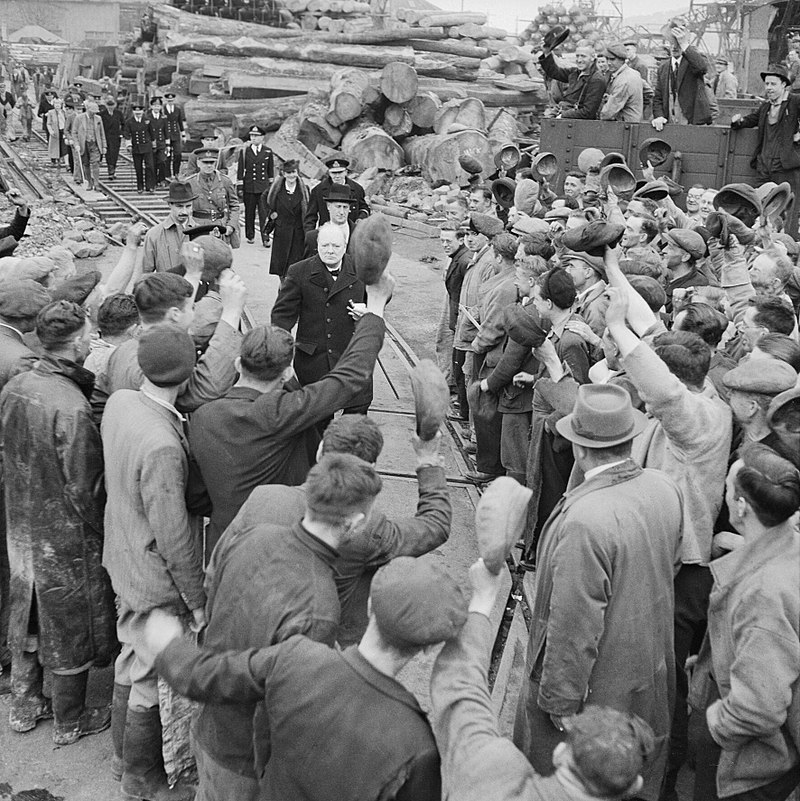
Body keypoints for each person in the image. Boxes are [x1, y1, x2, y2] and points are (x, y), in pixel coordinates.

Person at [144, 553, 465, 801]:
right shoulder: (417, 748)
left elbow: (210, 677)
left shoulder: (295, 658)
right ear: (429, 647)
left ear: (369, 607)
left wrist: (169, 649)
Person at [166, 453, 387, 801]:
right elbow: (283, 714)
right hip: (244, 763)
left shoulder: (255, 535)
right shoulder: (319, 606)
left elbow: (212, 598)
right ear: (356, 522)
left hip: (208, 726)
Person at [513, 382, 683, 801]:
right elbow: (671, 565)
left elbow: (571, 625)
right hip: (647, 675)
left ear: (579, 446)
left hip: (592, 697)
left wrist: (559, 705)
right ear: (629, 438)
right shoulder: (663, 487)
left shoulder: (585, 519)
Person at [602, 272, 733, 801]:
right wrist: (612, 273)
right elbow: (656, 332)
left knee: (668, 682)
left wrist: (615, 327)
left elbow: (658, 382)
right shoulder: (697, 394)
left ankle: (664, 773)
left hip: (683, 573)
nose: (645, 403)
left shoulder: (696, 418)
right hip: (663, 559)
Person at [192, 270, 392, 547]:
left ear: (238, 365)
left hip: (222, 545)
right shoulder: (284, 412)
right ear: (286, 374)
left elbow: (196, 494)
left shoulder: (203, 416)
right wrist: (375, 309)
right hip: (280, 543)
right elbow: (350, 376)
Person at [432, 558, 656, 801]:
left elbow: (460, 689)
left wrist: (482, 601)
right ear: (634, 787)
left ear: (560, 754)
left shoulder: (495, 770)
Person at [223, 414, 450, 645]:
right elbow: (435, 525)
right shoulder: (369, 529)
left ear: (320, 451)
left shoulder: (263, 497)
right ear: (370, 469)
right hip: (318, 647)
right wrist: (428, 461)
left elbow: (216, 571)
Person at [1, 300, 115, 744]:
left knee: (25, 612)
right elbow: (84, 488)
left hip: (20, 521)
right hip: (64, 535)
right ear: (76, 342)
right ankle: (70, 720)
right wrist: (104, 530)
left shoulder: (17, 384)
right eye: (88, 334)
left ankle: (24, 704)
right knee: (71, 624)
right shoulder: (71, 406)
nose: (91, 340)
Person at [101, 325, 206, 800]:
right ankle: (141, 778)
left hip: (120, 554)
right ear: (187, 376)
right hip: (151, 573)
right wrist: (196, 599)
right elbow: (173, 534)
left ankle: (122, 755)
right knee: (149, 673)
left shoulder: (122, 402)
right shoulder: (163, 444)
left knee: (130, 655)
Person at [690, 444, 800, 801]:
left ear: (740, 507)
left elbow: (759, 708)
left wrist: (714, 724)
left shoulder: (765, 592)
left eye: (727, 486)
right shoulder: (790, 546)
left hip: (747, 769)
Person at [96, 269, 244, 416]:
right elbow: (206, 386)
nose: (194, 313)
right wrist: (232, 312)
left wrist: (194, 272)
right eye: (192, 308)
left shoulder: (125, 350)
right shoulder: (157, 360)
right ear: (174, 314)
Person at [0, 279, 52, 694]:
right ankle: (9, 655)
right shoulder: (20, 360)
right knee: (12, 568)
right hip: (9, 473)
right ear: (32, 320)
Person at [271, 222, 370, 418]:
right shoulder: (299, 272)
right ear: (317, 245)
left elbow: (381, 296)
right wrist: (282, 357)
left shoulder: (361, 269)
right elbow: (281, 317)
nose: (330, 251)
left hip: (351, 356)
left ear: (345, 246)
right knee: (315, 420)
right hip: (313, 360)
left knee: (356, 415)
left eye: (335, 246)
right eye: (325, 246)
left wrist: (368, 312)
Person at [466, 232, 519, 484]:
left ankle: (488, 466)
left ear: (498, 256)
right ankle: (486, 457)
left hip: (492, 354)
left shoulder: (505, 287)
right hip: (493, 351)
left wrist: (477, 345)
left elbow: (494, 324)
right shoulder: (507, 280)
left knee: (486, 408)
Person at [731, 64, 800, 237]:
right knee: (759, 203)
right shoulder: (765, 107)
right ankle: (757, 240)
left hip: (785, 165)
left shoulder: (795, 102)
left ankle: (786, 243)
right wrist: (738, 122)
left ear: (783, 85)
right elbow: (751, 119)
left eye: (773, 84)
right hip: (764, 165)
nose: (768, 88)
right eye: (767, 84)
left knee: (788, 207)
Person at [652, 22, 712, 129]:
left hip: (691, 124)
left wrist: (684, 43)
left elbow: (702, 68)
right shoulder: (663, 68)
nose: (674, 47)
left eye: (678, 44)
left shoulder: (692, 63)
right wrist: (659, 116)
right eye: (671, 43)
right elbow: (658, 97)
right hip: (669, 124)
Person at [187, 148, 240, 248]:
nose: (209, 165)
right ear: (198, 163)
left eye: (212, 162)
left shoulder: (225, 181)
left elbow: (234, 206)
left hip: (219, 227)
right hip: (198, 227)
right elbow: (184, 206)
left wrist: (231, 225)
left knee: (220, 259)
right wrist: (190, 224)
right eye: (205, 162)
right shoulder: (190, 183)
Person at [142, 180, 199, 273]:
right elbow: (146, 272)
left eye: (188, 206)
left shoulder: (201, 233)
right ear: (170, 205)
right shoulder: (154, 235)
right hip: (165, 286)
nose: (184, 212)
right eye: (179, 206)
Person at [537, 44, 606, 119]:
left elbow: (588, 112)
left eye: (583, 56)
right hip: (568, 114)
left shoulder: (596, 79)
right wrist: (547, 52)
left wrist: (563, 115)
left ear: (592, 57)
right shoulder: (575, 72)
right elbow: (554, 72)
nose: (579, 60)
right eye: (577, 56)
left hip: (580, 123)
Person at [264, 159, 307, 279]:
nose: (291, 175)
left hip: (298, 234)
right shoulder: (276, 190)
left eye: (294, 172)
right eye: (288, 172)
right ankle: (283, 290)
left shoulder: (304, 190)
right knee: (281, 269)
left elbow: (308, 211)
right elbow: (266, 201)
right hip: (281, 233)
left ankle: (292, 292)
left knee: (296, 269)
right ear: (283, 173)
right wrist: (273, 216)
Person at [303, 155, 369, 232]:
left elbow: (364, 207)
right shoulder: (318, 190)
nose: (337, 176)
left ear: (346, 172)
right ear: (329, 173)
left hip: (350, 233)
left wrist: (360, 218)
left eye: (340, 172)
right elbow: (310, 217)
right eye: (334, 173)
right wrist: (310, 236)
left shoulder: (357, 188)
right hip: (327, 234)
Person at [236, 125, 274, 246]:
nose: (254, 138)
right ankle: (250, 235)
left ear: (262, 138)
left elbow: (270, 172)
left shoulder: (267, 151)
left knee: (264, 214)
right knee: (249, 213)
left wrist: (271, 188)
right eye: (252, 135)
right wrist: (240, 187)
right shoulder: (244, 151)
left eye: (256, 136)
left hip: (263, 187)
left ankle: (265, 237)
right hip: (249, 186)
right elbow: (240, 170)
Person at [303, 183, 357, 257]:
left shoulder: (359, 234)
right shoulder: (313, 238)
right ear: (328, 206)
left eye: (345, 207)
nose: (341, 212)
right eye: (338, 206)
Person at [599, 43, 645, 122]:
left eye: (612, 59)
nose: (609, 63)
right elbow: (648, 93)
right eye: (607, 59)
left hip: (624, 126)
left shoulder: (624, 80)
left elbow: (607, 113)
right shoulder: (634, 73)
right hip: (633, 122)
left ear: (622, 60)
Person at [72, 100, 107, 191]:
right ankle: (89, 183)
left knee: (96, 163)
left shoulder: (98, 119)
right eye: (92, 112)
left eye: (95, 112)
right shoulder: (79, 118)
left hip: (94, 144)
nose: (93, 114)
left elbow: (102, 133)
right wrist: (76, 144)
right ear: (87, 109)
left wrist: (104, 146)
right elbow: (74, 132)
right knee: (86, 164)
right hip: (84, 144)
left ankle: (96, 183)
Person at [124, 102, 155, 194]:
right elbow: (126, 134)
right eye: (135, 111)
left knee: (149, 166)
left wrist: (154, 144)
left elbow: (152, 134)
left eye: (140, 111)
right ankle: (140, 186)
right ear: (133, 111)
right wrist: (128, 145)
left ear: (143, 111)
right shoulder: (129, 121)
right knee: (138, 167)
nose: (138, 113)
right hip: (136, 147)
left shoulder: (147, 120)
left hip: (147, 146)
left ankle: (149, 186)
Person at [162, 92, 187, 180]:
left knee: (178, 154)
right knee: (167, 155)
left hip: (175, 134)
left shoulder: (177, 109)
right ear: (166, 100)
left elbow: (180, 122)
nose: (170, 101)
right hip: (166, 135)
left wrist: (183, 134)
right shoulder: (163, 110)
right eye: (169, 100)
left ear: (174, 100)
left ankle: (176, 172)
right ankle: (167, 174)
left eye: (172, 100)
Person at [100, 97, 125, 180]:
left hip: (116, 136)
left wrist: (121, 133)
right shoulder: (102, 114)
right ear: (106, 105)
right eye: (109, 105)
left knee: (115, 153)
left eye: (112, 105)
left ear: (115, 105)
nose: (110, 107)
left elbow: (124, 124)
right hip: (106, 136)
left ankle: (113, 167)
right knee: (108, 153)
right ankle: (110, 170)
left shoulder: (118, 113)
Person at [147, 96, 169, 187]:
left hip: (161, 143)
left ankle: (162, 179)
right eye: (155, 105)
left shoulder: (163, 118)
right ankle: (154, 180)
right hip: (151, 143)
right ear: (151, 106)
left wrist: (167, 144)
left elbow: (166, 131)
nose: (157, 108)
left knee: (162, 161)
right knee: (153, 163)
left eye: (158, 106)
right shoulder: (148, 117)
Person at [45, 97, 69, 168]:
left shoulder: (64, 112)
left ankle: (66, 163)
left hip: (62, 131)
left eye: (59, 104)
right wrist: (51, 131)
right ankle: (54, 160)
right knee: (54, 146)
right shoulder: (51, 112)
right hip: (55, 132)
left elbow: (67, 121)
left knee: (64, 147)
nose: (57, 105)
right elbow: (48, 123)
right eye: (56, 104)